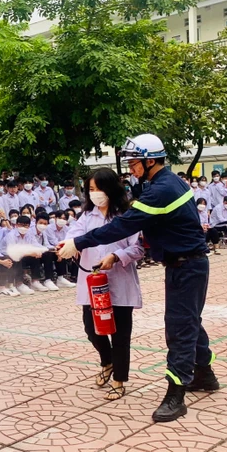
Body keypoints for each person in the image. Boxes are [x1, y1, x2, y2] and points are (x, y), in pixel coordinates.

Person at [59, 133, 219, 422]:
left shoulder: (162, 190)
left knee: (179, 328)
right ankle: (205, 374)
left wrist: (80, 243)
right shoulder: (160, 183)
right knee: (189, 321)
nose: (130, 169)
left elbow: (122, 227)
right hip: (182, 264)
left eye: (134, 163)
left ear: (150, 160)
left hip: (188, 266)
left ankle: (176, 394)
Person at [65, 168, 144, 400]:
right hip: (93, 283)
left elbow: (137, 248)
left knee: (119, 334)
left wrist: (116, 256)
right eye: (91, 189)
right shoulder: (86, 217)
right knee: (92, 329)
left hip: (119, 282)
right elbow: (73, 237)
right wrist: (67, 246)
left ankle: (119, 379)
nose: (95, 194)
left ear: (111, 189)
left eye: (99, 189)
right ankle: (107, 362)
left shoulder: (126, 216)